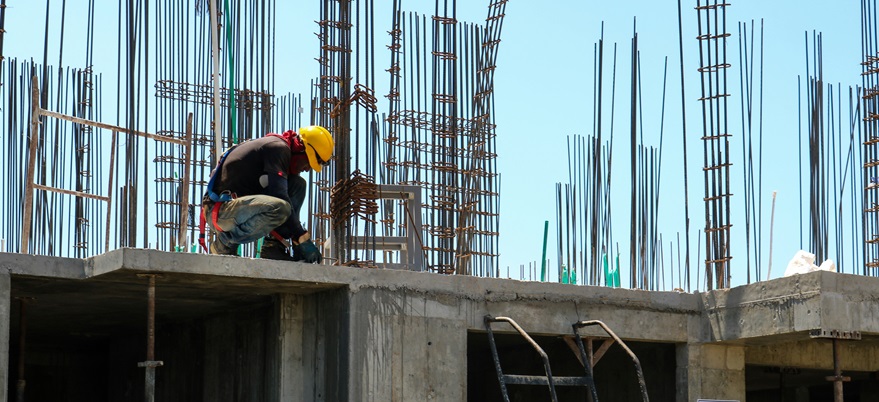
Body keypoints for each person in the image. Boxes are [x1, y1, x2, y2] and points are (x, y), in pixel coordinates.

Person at [201, 126, 334, 263]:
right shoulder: (278, 148)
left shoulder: (279, 148)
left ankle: (273, 246)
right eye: (308, 163)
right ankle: (225, 243)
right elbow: (280, 196)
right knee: (280, 208)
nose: (307, 169)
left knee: (297, 185)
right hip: (221, 211)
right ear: (301, 150)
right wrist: (301, 237)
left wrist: (296, 238)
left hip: (238, 208)